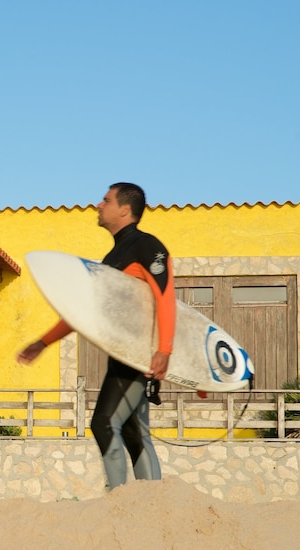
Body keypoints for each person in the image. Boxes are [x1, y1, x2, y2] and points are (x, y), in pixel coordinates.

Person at [17, 182, 176, 490]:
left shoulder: (147, 246)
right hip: (121, 355)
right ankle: (153, 504)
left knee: (104, 423)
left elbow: (165, 296)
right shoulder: (113, 256)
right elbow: (85, 313)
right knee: (133, 429)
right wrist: (43, 342)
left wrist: (164, 349)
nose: (99, 205)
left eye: (106, 200)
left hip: (138, 355)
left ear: (124, 210)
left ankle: (118, 500)